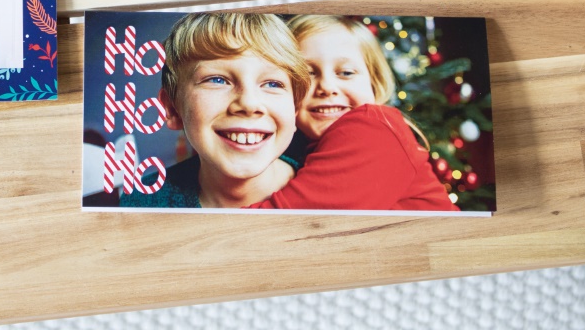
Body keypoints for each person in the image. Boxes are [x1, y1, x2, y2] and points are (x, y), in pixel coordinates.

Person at [247, 15, 458, 211]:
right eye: (308, 73)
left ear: (374, 84)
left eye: (346, 73)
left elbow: (284, 220)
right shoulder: (305, 150)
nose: (327, 87)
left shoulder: (373, 128)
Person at [121, 13, 311, 209]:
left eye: (272, 83)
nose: (248, 103)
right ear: (172, 108)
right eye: (217, 80)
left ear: (294, 108)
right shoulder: (142, 200)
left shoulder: (328, 196)